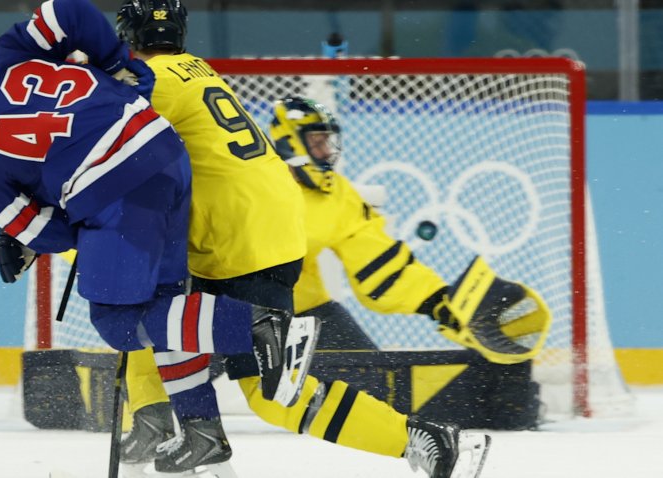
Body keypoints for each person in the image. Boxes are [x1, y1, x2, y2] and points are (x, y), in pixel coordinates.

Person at [0, 0, 318, 451]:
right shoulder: (3, 54)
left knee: (119, 320)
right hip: (164, 151)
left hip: (117, 195)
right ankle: (199, 429)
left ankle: (259, 327)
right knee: (168, 306)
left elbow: (41, 233)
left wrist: (87, 232)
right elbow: (68, 12)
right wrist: (116, 63)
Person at [113, 3, 506, 478]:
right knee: (174, 320)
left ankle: (171, 409)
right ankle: (169, 419)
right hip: (264, 239)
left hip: (237, 245)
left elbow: (101, 145)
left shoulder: (152, 80)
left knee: (157, 315)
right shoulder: (198, 71)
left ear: (128, 37)